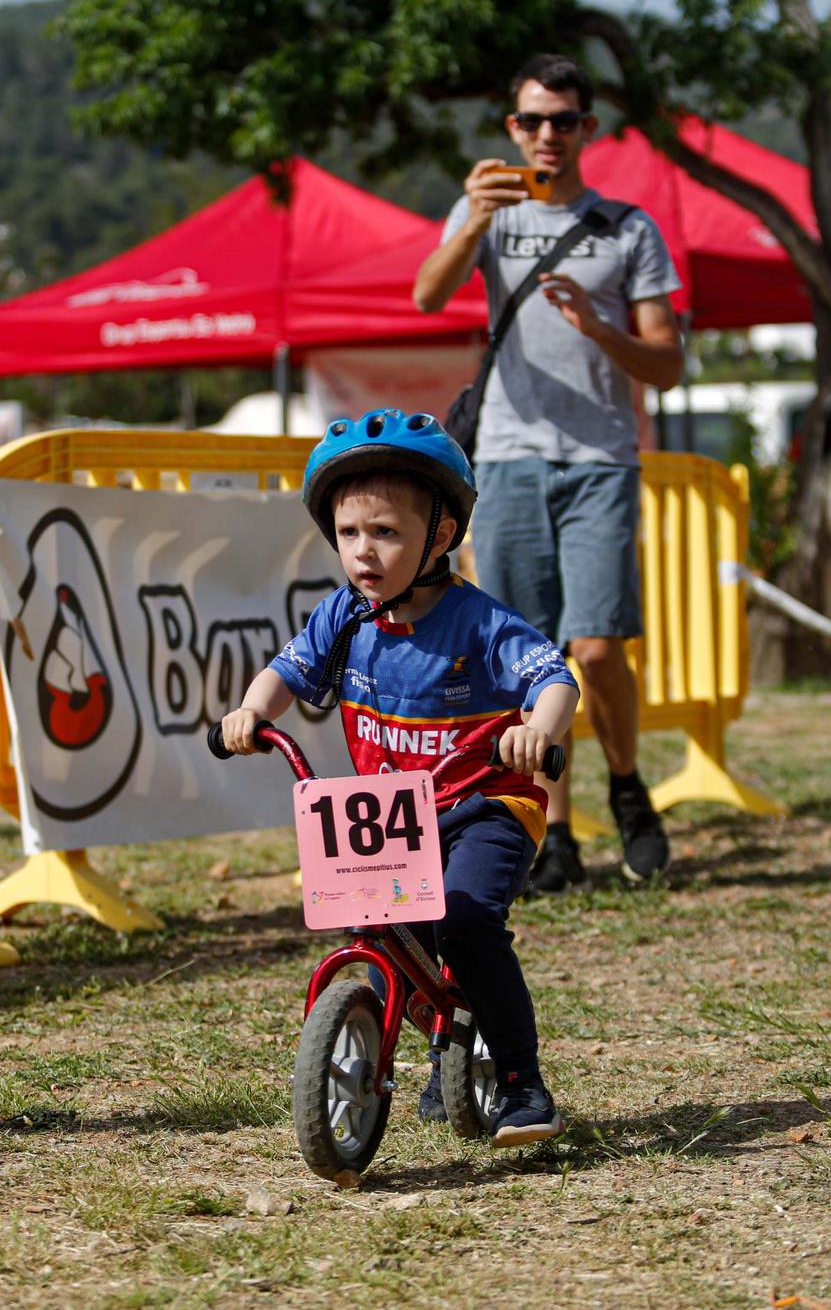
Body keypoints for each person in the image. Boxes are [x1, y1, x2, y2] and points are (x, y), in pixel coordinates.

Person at [218, 409, 580, 1145]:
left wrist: (537, 729)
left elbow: (554, 679)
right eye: (350, 533)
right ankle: (439, 1043)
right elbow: (286, 671)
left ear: (440, 537)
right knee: (383, 935)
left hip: (486, 802)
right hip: (393, 814)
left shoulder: (479, 622)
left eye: (385, 533)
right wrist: (251, 712)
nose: (364, 552)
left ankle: (520, 1081)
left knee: (466, 918)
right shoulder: (343, 617)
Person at [413, 54, 685, 895]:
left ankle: (630, 786)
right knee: (534, 660)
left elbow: (668, 363)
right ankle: (554, 832)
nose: (546, 136)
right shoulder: (486, 208)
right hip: (508, 456)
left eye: (563, 121)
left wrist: (598, 327)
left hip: (600, 455)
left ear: (587, 131)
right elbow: (426, 295)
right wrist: (470, 222)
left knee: (599, 649)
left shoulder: (626, 227)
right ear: (512, 129)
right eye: (531, 121)